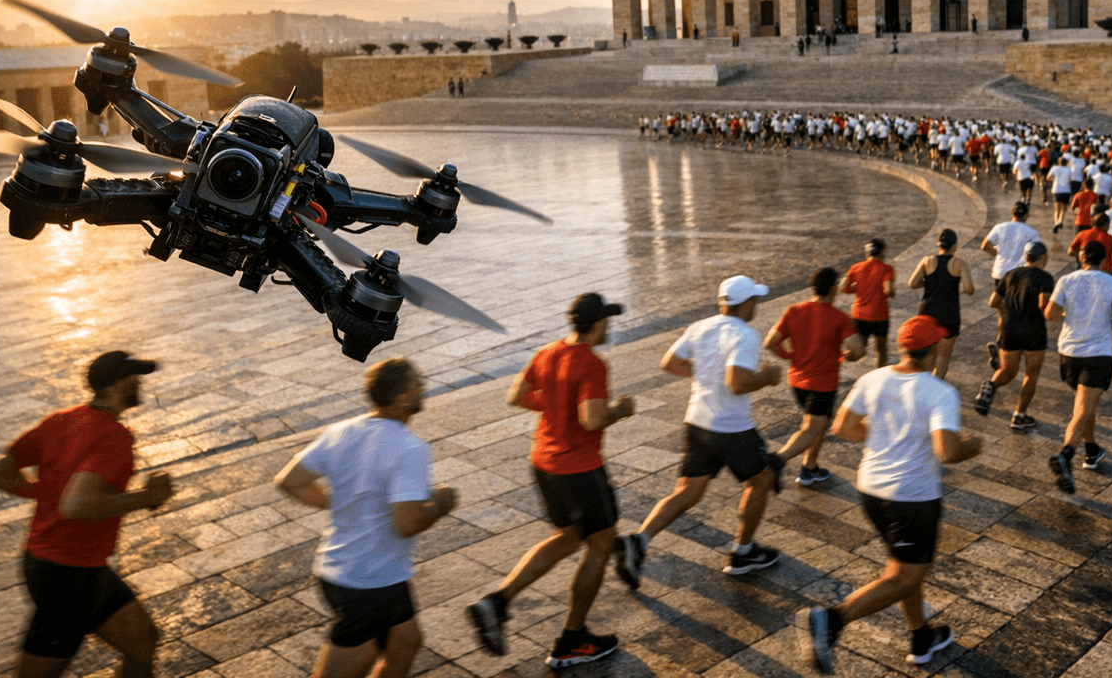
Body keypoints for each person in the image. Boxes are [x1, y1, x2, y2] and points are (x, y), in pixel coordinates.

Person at [797, 315, 982, 673]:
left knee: (901, 569)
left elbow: (843, 427)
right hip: (912, 498)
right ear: (935, 351)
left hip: (871, 491)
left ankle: (921, 635)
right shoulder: (941, 393)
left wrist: (887, 433)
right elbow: (947, 451)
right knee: (906, 577)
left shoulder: (873, 378)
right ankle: (831, 620)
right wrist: (973, 445)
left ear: (903, 349)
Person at [0, 351, 174, 678]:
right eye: (134, 376)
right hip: (65, 576)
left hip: (66, 566)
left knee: (142, 641)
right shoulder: (113, 436)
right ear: (116, 385)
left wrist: (45, 493)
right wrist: (148, 497)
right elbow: (78, 504)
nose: (140, 382)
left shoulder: (61, 420)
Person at [468, 294, 634, 668]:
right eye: (607, 320)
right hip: (579, 468)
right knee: (601, 542)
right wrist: (619, 410)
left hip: (543, 461)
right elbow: (592, 420)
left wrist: (558, 407)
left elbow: (518, 396)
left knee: (569, 536)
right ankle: (572, 639)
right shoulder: (592, 363)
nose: (611, 325)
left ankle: (497, 601)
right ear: (598, 324)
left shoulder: (548, 352)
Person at [274, 358, 456, 678]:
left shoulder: (341, 432)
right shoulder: (408, 448)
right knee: (347, 668)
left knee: (406, 642)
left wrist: (339, 501)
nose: (423, 386)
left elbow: (291, 480)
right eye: (417, 382)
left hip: (344, 569)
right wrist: (440, 504)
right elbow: (407, 523)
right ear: (402, 398)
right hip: (369, 579)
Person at [617, 276, 785, 585]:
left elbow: (670, 362)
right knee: (762, 481)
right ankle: (743, 552)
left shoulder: (700, 327)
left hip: (697, 422)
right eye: (755, 301)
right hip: (732, 428)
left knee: (687, 492)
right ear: (746, 303)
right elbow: (738, 383)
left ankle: (638, 540)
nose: (756, 306)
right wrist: (768, 376)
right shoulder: (745, 334)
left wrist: (704, 375)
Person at [1043, 241, 1112, 491]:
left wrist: (1070, 314)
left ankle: (1091, 450)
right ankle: (1066, 454)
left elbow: (1049, 314)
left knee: (1085, 405)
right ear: (1105, 260)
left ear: (1081, 258)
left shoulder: (1066, 280)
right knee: (1082, 410)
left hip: (1068, 353)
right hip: (1097, 354)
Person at [765, 267, 863, 485]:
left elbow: (770, 342)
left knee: (820, 423)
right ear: (834, 290)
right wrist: (847, 356)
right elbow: (858, 350)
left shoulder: (794, 311)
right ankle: (776, 461)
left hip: (797, 382)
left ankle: (810, 467)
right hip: (822, 385)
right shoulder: (839, 318)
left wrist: (789, 355)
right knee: (812, 428)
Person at [975, 242, 1055, 430]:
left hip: (1010, 330)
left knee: (1007, 371)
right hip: (1033, 331)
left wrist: (1006, 311)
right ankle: (1019, 415)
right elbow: (1044, 306)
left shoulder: (1010, 274)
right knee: (1031, 375)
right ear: (1042, 257)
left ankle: (991, 385)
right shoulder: (1045, 278)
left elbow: (993, 301)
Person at [906, 230, 975, 380]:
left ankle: (920, 386)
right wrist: (954, 288)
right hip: (948, 313)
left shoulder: (927, 260)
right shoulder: (959, 264)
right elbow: (969, 289)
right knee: (943, 358)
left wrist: (931, 284)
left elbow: (912, 283)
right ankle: (934, 389)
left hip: (927, 312)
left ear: (939, 245)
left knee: (926, 355)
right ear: (955, 246)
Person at [842, 238, 896, 366]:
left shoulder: (855, 267)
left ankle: (835, 359)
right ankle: (879, 377)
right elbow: (888, 289)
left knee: (859, 350)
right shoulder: (886, 269)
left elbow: (843, 287)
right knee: (881, 349)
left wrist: (856, 289)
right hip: (879, 315)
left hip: (859, 315)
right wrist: (891, 292)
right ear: (882, 252)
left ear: (867, 252)